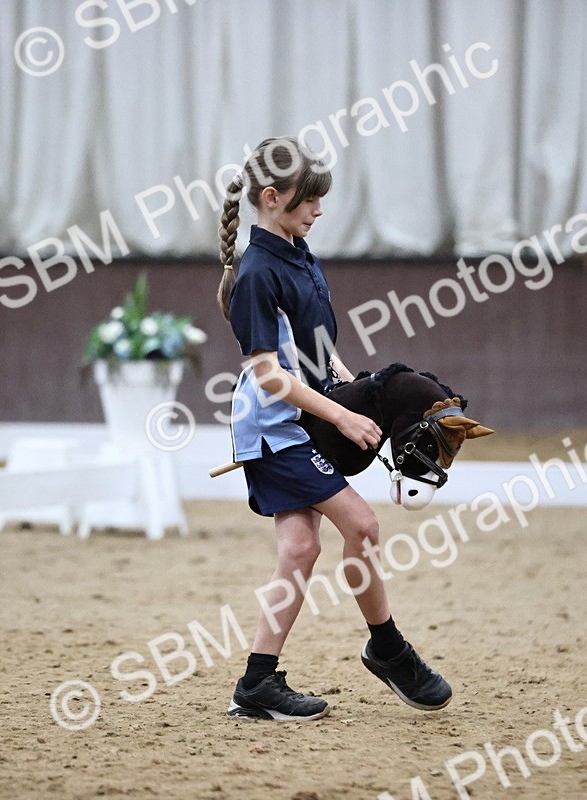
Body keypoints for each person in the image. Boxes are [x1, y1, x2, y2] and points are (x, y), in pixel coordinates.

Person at [215, 136, 451, 721]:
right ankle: (389, 650)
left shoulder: (299, 251)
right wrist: (342, 412)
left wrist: (350, 380)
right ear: (271, 199)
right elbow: (268, 374)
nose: (318, 210)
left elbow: (313, 347)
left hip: (305, 412)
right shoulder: (257, 273)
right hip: (276, 427)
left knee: (299, 549)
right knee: (363, 524)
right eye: (307, 202)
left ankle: (256, 685)